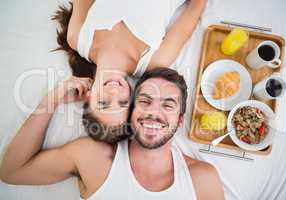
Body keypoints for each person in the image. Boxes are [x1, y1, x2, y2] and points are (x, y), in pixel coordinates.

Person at [0, 68, 224, 200]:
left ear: (180, 120)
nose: (154, 112)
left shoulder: (203, 179)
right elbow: (12, 171)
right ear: (131, 111)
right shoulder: (93, 157)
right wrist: (53, 99)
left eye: (168, 105)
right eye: (145, 101)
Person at [51, 0, 207, 143]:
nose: (113, 92)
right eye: (122, 102)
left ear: (88, 96)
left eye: (103, 103)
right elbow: (196, 6)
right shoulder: (154, 61)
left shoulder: (77, 37)